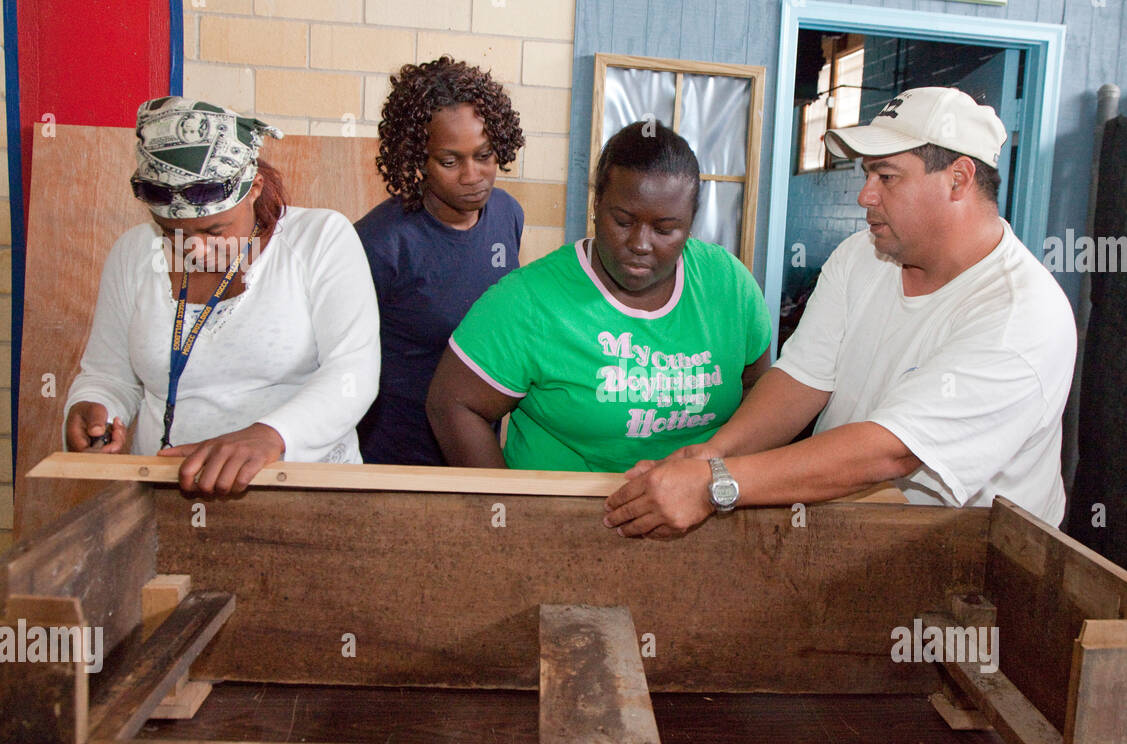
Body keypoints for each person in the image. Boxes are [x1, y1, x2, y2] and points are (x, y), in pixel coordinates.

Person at [603, 87, 1077, 537]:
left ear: (959, 178)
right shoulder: (861, 256)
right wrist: (709, 453)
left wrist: (715, 483)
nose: (865, 196)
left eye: (886, 177)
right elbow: (801, 380)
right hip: (856, 531)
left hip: (976, 555)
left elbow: (892, 453)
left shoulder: (1021, 316)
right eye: (867, 175)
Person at [64, 96, 380, 496]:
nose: (192, 248)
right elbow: (109, 375)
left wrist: (271, 436)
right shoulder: (133, 254)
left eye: (214, 231)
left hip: (303, 491)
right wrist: (94, 407)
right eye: (170, 231)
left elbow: (352, 374)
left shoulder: (319, 240)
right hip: (166, 495)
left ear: (255, 189)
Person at [427, 121, 772, 472]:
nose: (640, 243)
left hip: (701, 506)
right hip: (566, 515)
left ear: (691, 222)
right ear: (597, 205)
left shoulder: (729, 285)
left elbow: (762, 392)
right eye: (622, 221)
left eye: (665, 229)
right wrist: (507, 508)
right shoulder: (531, 300)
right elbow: (452, 404)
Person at [354, 56, 525, 466]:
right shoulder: (379, 243)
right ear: (417, 159)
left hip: (476, 450)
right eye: (450, 162)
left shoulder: (507, 213)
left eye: (484, 155)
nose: (473, 175)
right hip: (396, 455)